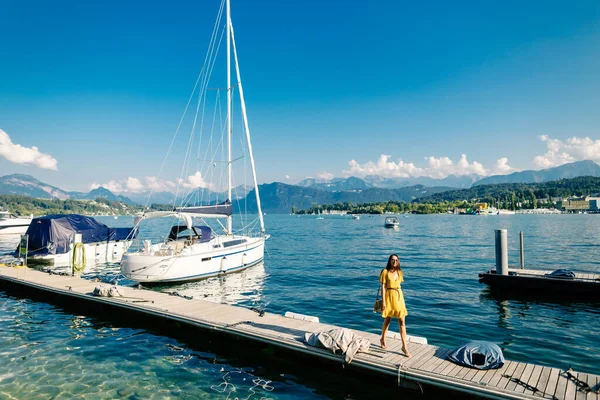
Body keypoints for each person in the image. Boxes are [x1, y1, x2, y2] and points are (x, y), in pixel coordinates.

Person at [379, 254, 411, 357]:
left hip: (399, 297)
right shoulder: (385, 272)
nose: (394, 262)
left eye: (396, 260)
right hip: (389, 297)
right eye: (393, 260)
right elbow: (383, 287)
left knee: (402, 321)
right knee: (387, 320)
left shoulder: (400, 272)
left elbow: (399, 286)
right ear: (389, 261)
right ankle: (382, 339)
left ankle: (404, 347)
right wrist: (384, 302)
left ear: (398, 261)